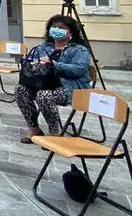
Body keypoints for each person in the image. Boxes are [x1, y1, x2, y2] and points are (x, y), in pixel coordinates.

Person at [16, 15, 92, 143]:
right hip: (45, 83)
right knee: (20, 90)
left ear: (71, 32)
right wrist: (35, 64)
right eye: (54, 27)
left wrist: (54, 64)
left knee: (44, 95)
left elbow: (78, 70)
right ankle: (34, 128)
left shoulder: (79, 49)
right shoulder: (44, 46)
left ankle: (54, 132)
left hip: (69, 87)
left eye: (61, 28)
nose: (56, 29)